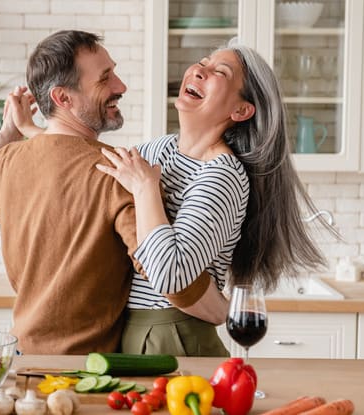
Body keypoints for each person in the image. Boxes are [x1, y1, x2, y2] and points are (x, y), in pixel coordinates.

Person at [95, 40, 337, 356]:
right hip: (130, 331)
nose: (198, 70)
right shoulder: (157, 150)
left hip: (174, 336)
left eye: (218, 71)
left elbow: (172, 274)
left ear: (241, 110)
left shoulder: (222, 175)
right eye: (203, 62)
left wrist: (145, 190)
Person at [0, 30, 144, 354]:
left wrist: (6, 135)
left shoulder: (7, 160)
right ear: (63, 98)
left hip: (22, 361)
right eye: (105, 78)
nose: (120, 86)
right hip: (89, 370)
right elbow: (161, 270)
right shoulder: (117, 171)